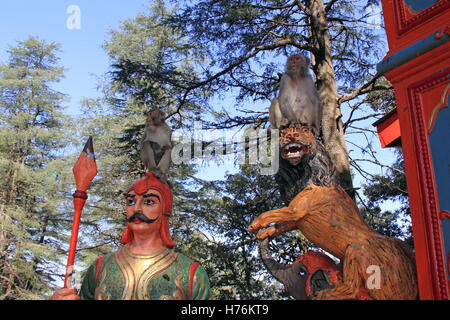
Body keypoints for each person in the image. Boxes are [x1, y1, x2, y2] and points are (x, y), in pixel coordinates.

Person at [51, 172, 210, 300]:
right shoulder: (100, 267)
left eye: (148, 202)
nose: (137, 209)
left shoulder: (191, 273)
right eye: (131, 201)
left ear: (165, 210)